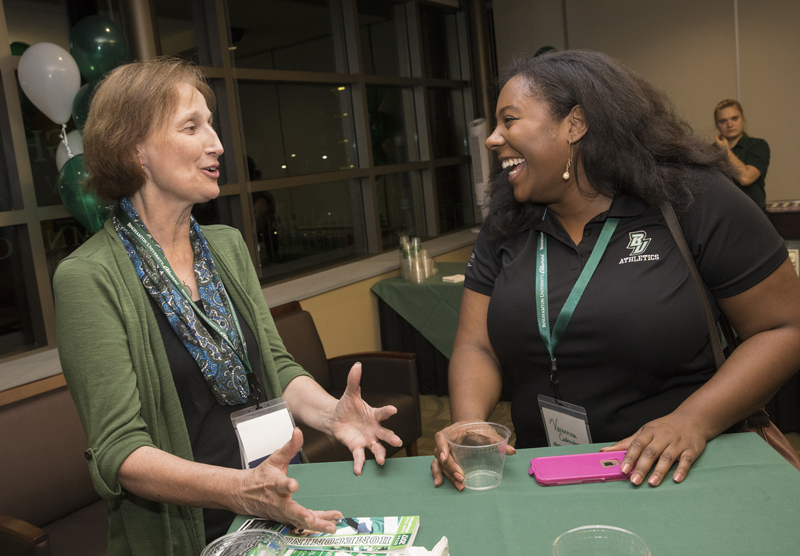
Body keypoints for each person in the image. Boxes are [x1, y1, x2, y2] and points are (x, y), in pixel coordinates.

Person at [53, 57, 402, 556]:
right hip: (194, 533)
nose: (216, 144)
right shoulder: (88, 277)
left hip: (280, 505)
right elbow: (119, 453)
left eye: (211, 126)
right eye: (192, 127)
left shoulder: (226, 245)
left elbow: (274, 365)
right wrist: (241, 490)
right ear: (135, 150)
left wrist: (331, 415)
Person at [430, 50, 800, 491]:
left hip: (680, 475)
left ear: (575, 124)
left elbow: (784, 327)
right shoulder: (506, 224)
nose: (493, 139)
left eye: (509, 121)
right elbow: (477, 345)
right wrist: (470, 424)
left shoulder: (692, 199)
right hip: (545, 478)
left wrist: (693, 421)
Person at [714, 99, 770, 211]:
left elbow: (746, 178)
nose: (729, 125)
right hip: (722, 217)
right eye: (723, 121)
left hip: (753, 217)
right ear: (717, 125)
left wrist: (725, 151)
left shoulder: (758, 145)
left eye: (734, 118)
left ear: (743, 118)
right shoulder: (710, 152)